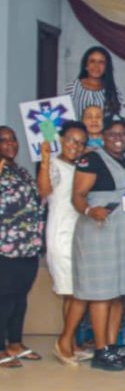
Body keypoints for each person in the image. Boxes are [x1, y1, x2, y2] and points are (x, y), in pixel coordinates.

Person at [71, 118, 125, 371]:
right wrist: (91, 210)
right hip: (99, 234)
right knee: (101, 294)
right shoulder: (92, 159)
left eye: (122, 135)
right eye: (113, 134)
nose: (118, 138)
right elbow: (78, 196)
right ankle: (100, 351)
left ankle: (112, 348)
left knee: (117, 294)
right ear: (103, 136)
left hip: (123, 238)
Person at [37, 122, 91, 366]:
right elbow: (44, 190)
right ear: (61, 139)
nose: (75, 146)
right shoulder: (54, 165)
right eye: (71, 140)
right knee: (78, 292)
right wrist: (46, 159)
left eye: (81, 143)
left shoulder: (79, 167)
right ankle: (63, 341)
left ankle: (71, 343)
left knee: (71, 294)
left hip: (78, 235)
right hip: (61, 235)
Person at [0, 126, 44, 369]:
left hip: (28, 245)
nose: (10, 143)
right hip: (5, 247)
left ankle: (15, 342)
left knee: (19, 297)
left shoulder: (20, 171)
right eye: (3, 140)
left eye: (13, 139)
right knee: (3, 298)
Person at [65, 46, 124, 119]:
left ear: (106, 67)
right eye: (92, 61)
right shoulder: (73, 87)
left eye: (101, 62)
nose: (96, 66)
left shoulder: (114, 91)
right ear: (86, 66)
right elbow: (64, 116)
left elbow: (119, 117)